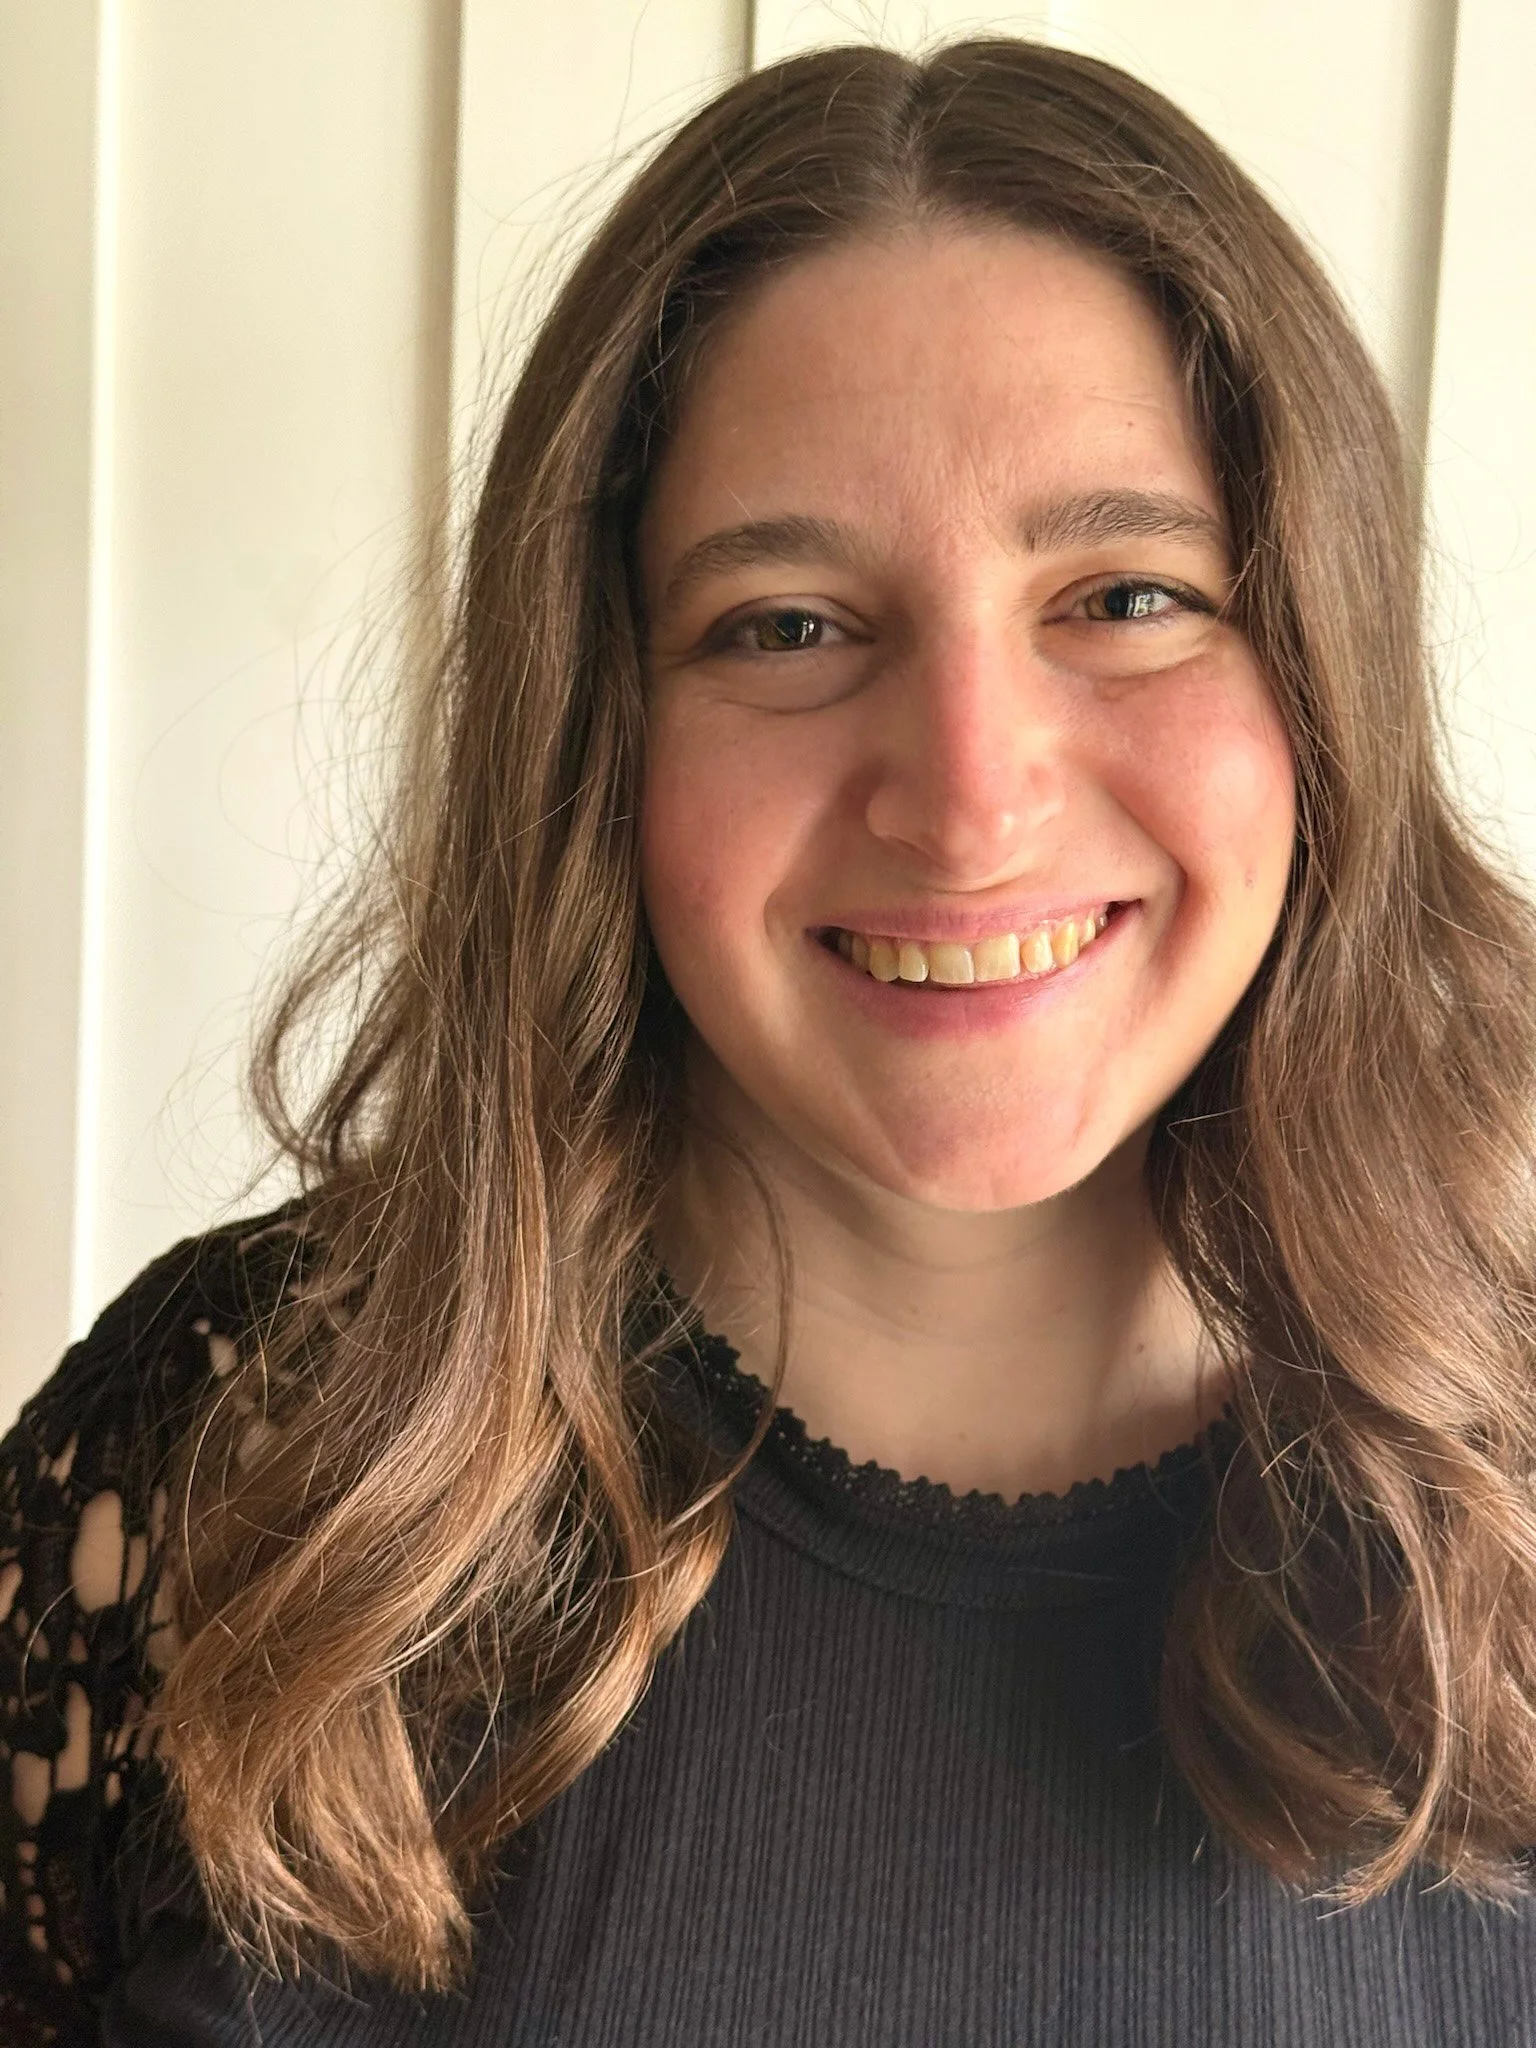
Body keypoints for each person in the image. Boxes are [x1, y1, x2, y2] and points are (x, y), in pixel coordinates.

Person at [5, 33, 1536, 2047]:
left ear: (1320, 676)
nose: (971, 795)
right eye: (787, 623)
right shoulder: (223, 1468)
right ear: (599, 731)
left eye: (1131, 595)